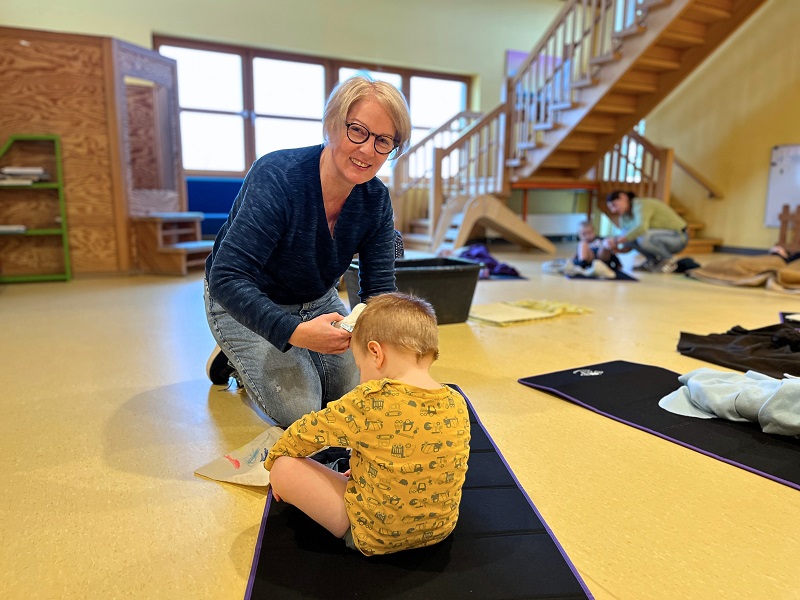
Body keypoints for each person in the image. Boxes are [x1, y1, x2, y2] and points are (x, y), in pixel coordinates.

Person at [204, 76, 412, 426]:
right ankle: (234, 351)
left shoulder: (375, 199)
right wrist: (296, 332)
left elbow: (378, 289)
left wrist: (389, 348)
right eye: (357, 131)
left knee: (347, 396)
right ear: (332, 125)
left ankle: (282, 343)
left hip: (317, 298)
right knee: (301, 410)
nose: (367, 150)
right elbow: (227, 277)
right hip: (243, 299)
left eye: (383, 141)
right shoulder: (278, 177)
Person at [264, 292, 471, 556]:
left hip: (373, 536)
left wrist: (274, 463)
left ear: (376, 353)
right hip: (441, 530)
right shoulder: (456, 401)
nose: (360, 377)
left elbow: (304, 433)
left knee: (284, 467)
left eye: (360, 367)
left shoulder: (368, 399)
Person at [603, 190, 688, 273]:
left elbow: (641, 228)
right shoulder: (624, 217)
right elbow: (628, 241)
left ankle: (669, 261)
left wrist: (616, 241)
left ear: (623, 197)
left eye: (614, 205)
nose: (613, 210)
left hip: (678, 237)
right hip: (659, 237)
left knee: (643, 236)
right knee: (626, 235)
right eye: (611, 208)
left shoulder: (641, 205)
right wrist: (619, 250)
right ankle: (653, 261)